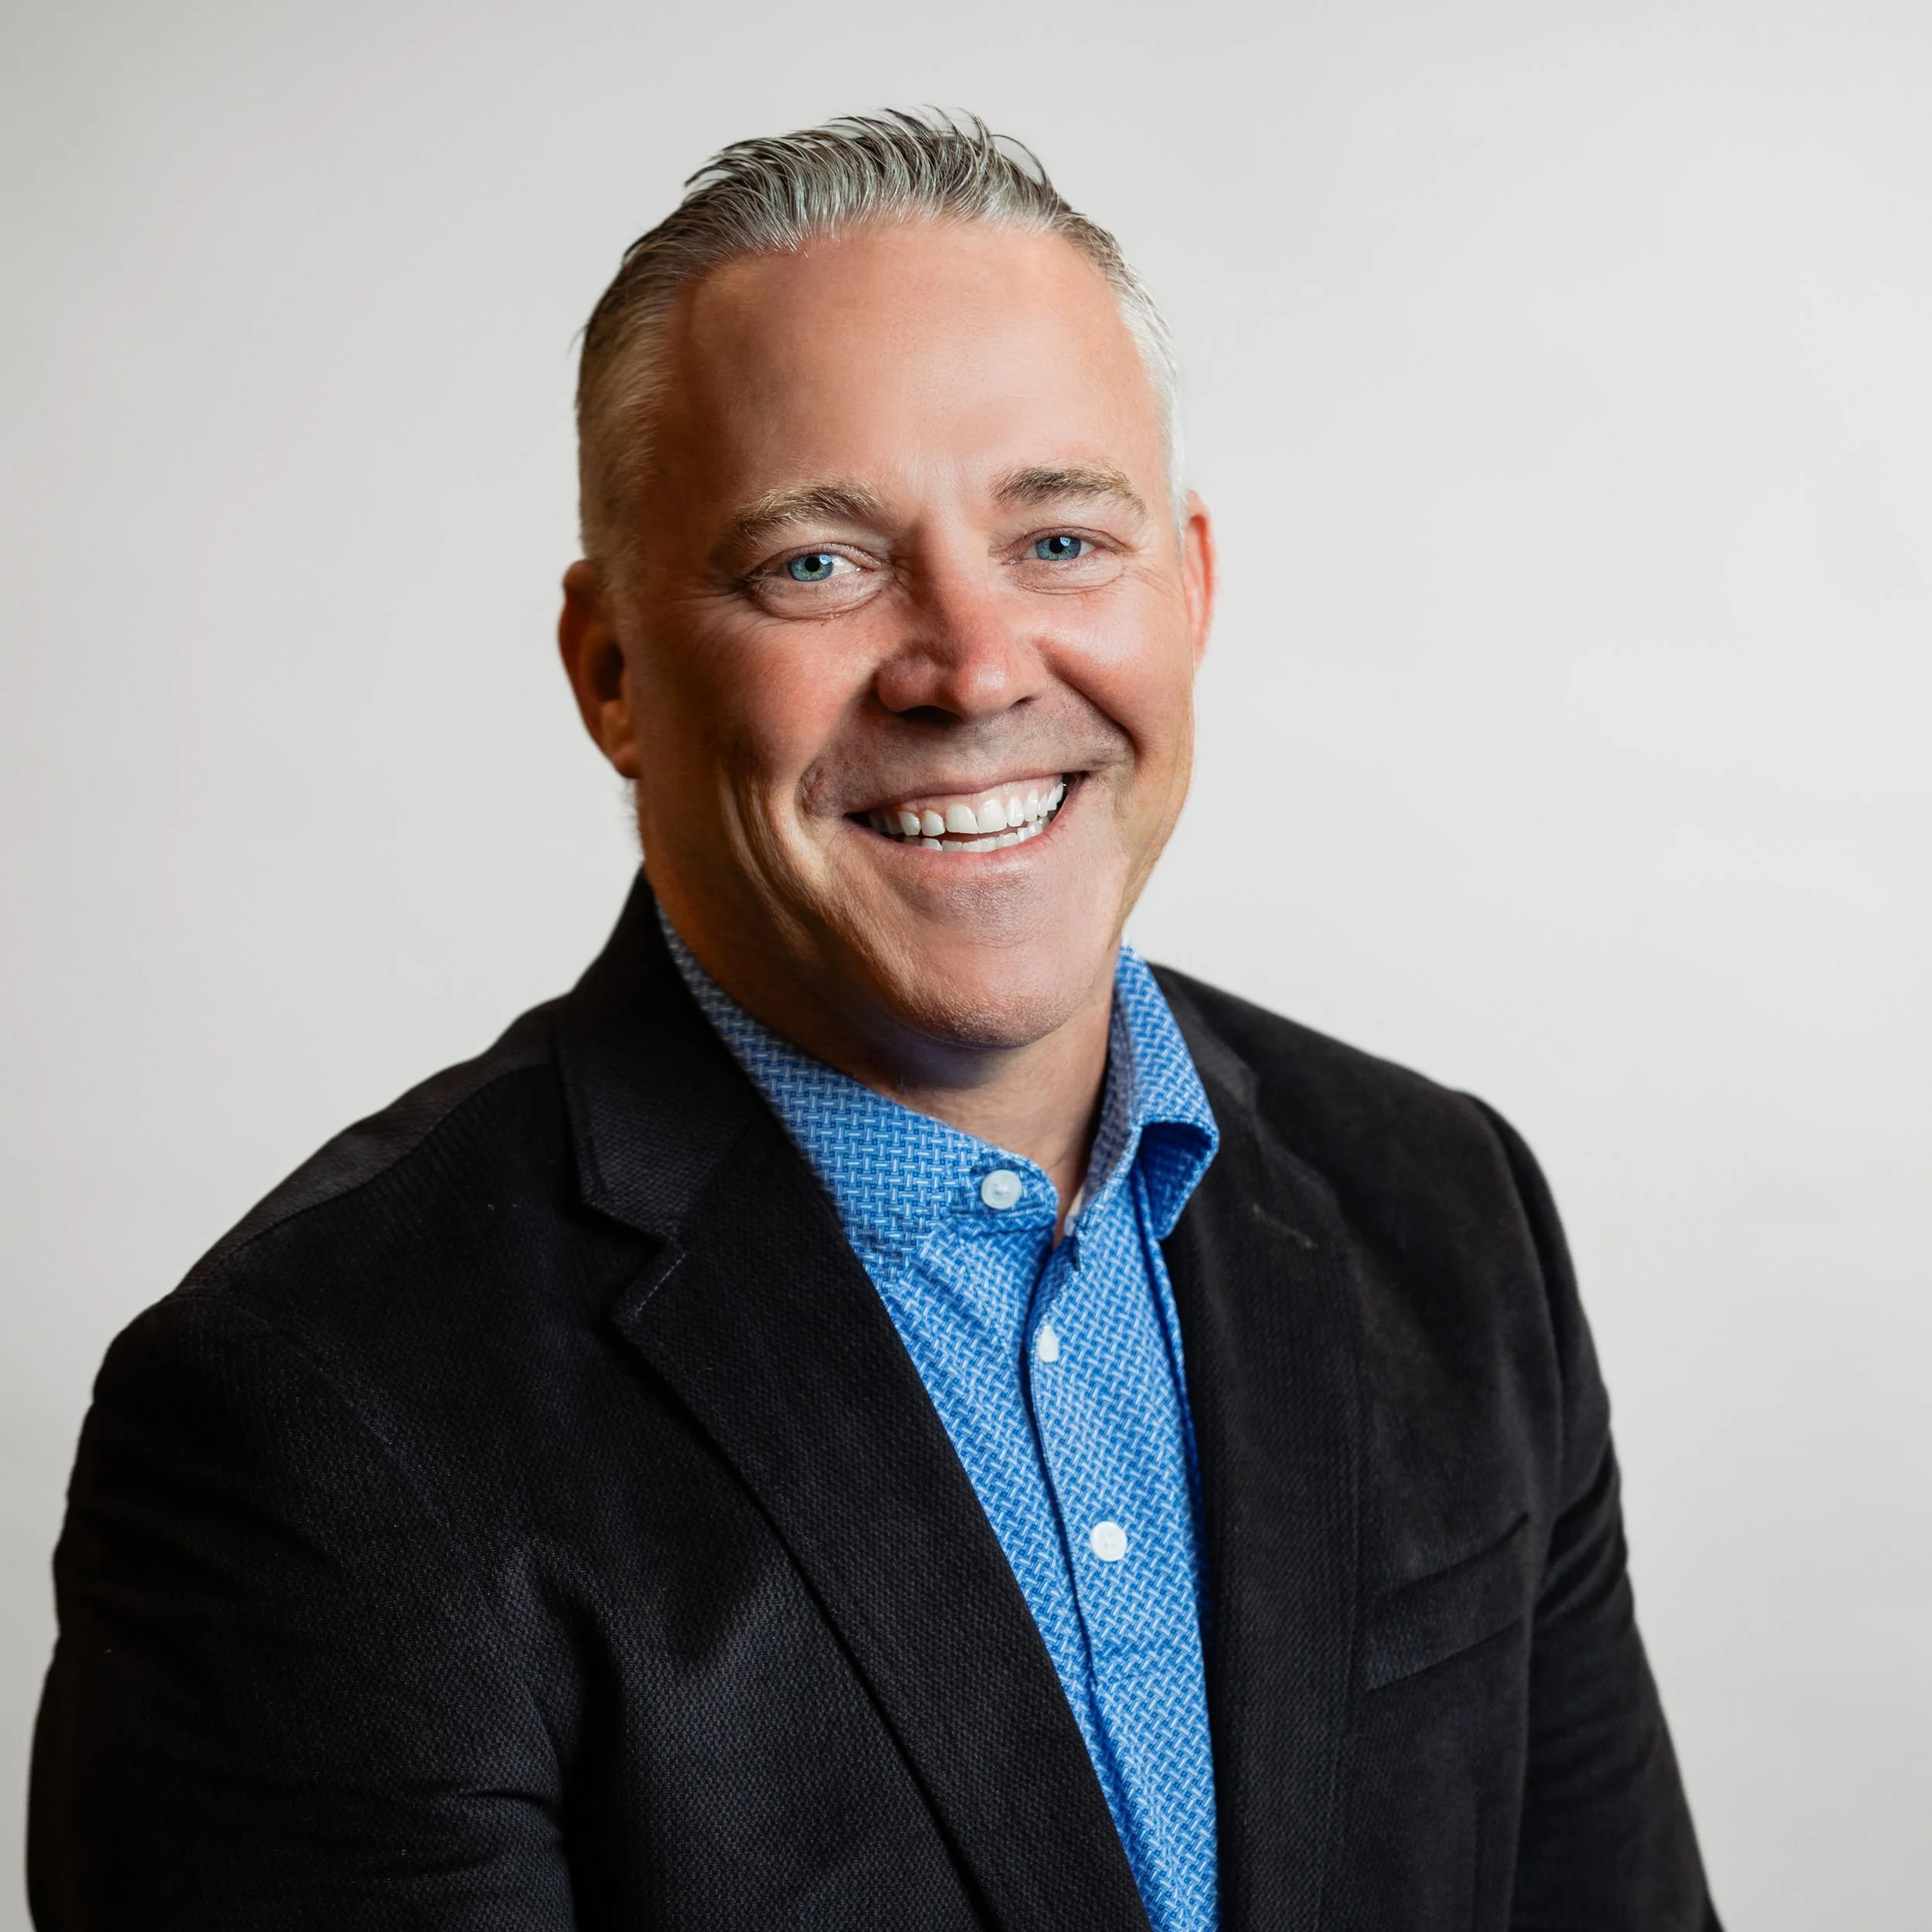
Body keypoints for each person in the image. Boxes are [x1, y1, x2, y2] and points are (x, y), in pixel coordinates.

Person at [28, 111, 1719, 1931]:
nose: (975, 665)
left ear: (1193, 589)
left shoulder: (1442, 1214)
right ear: (611, 669)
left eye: (1062, 537)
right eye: (816, 565)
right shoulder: (318, 1419)